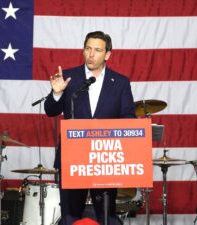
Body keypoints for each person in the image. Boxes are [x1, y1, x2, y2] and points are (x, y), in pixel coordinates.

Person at [44, 31, 136, 225]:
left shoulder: (120, 82)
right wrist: (56, 92)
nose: (91, 54)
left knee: (107, 217)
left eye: (97, 50)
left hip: (104, 159)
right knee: (70, 218)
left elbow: (129, 118)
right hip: (72, 159)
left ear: (108, 54)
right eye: (87, 48)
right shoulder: (69, 77)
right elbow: (50, 111)